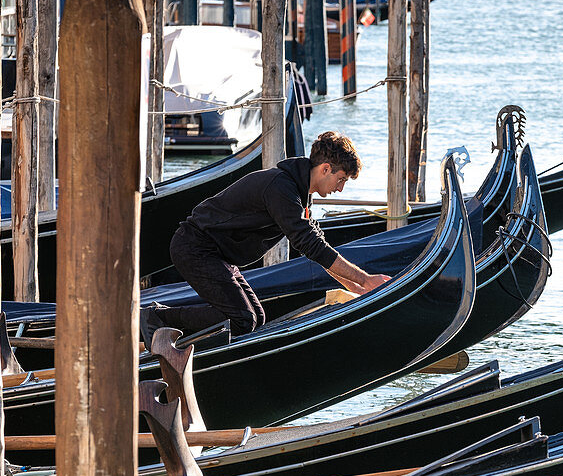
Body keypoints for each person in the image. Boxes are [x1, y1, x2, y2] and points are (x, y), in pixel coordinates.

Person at [140, 131, 390, 346]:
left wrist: (352, 284)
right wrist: (366, 279)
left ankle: (167, 329)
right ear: (326, 169)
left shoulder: (299, 192)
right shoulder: (282, 188)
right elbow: (312, 245)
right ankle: (157, 319)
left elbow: (314, 246)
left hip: (215, 255)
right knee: (242, 319)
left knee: (255, 319)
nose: (340, 188)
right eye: (341, 179)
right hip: (195, 247)